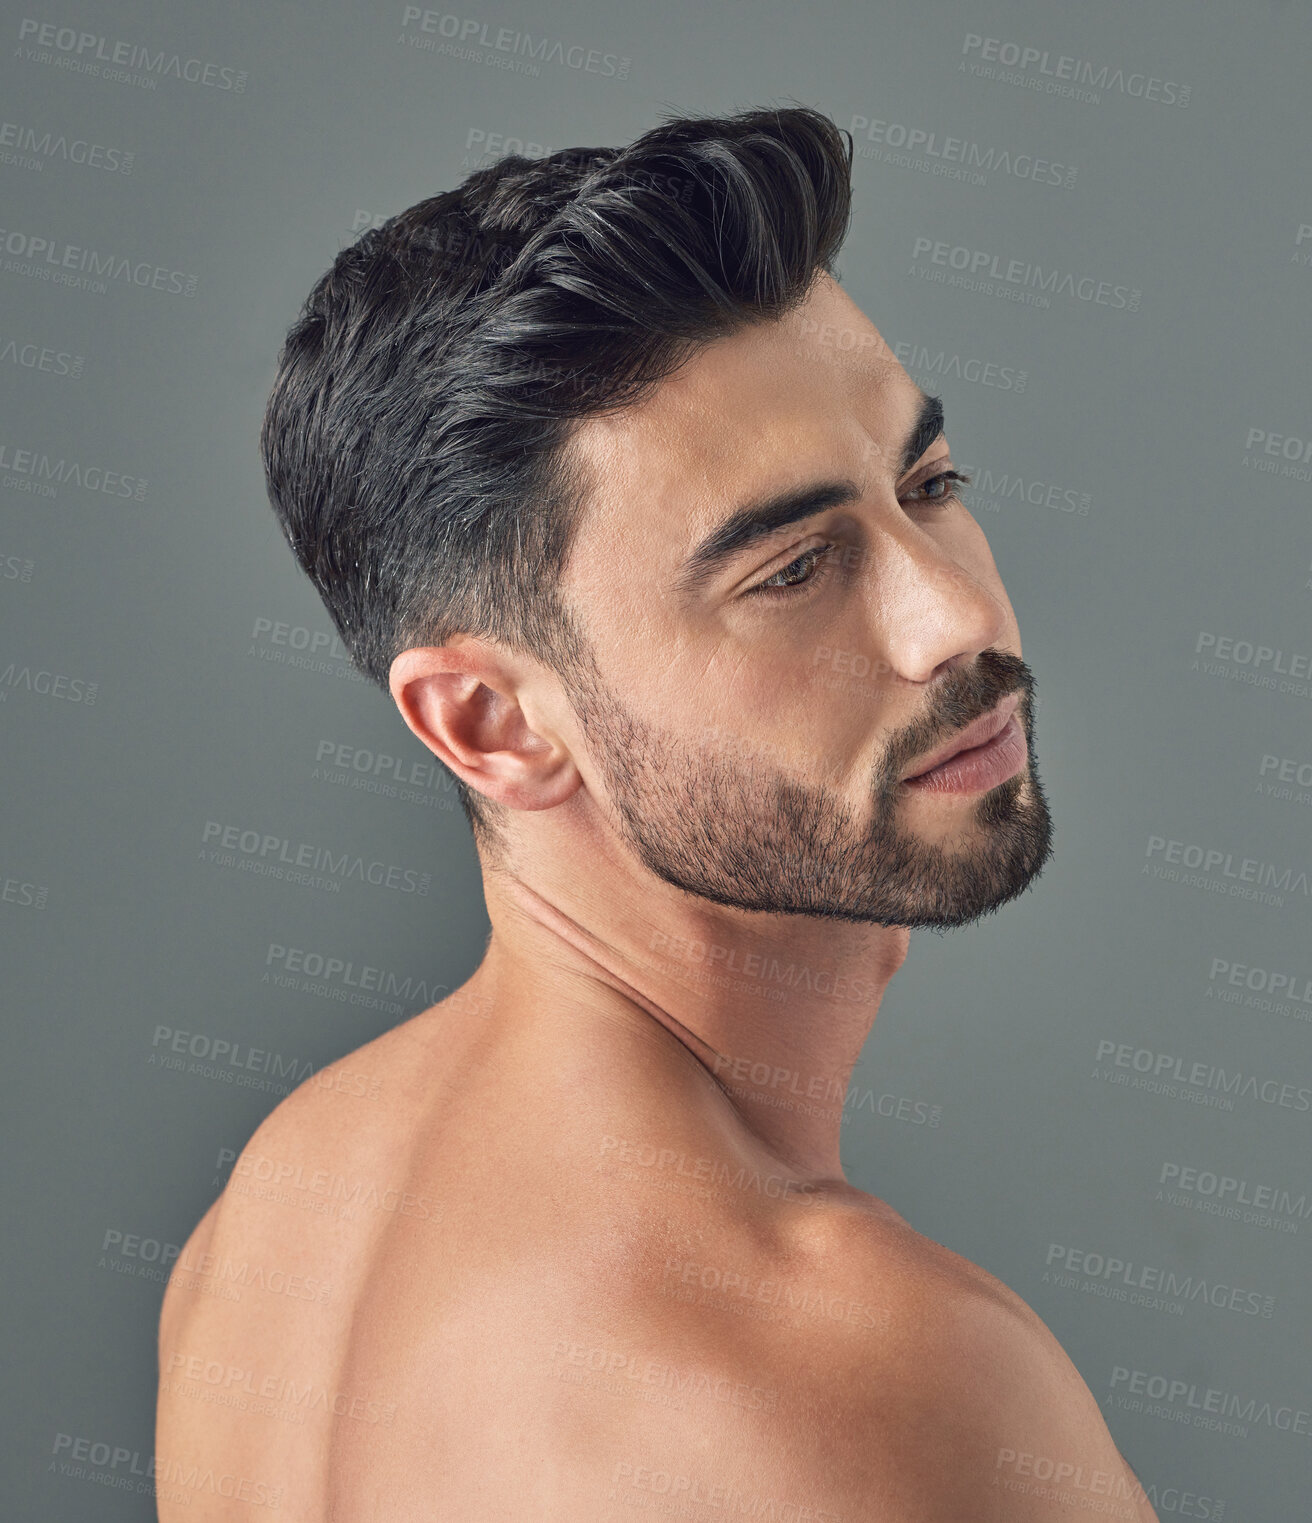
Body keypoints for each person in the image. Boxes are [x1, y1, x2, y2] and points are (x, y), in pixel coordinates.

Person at [156, 105, 1159, 1520]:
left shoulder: (286, 1212)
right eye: (793, 570)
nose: (954, 619)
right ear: (491, 726)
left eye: (928, 486)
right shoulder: (857, 1366)